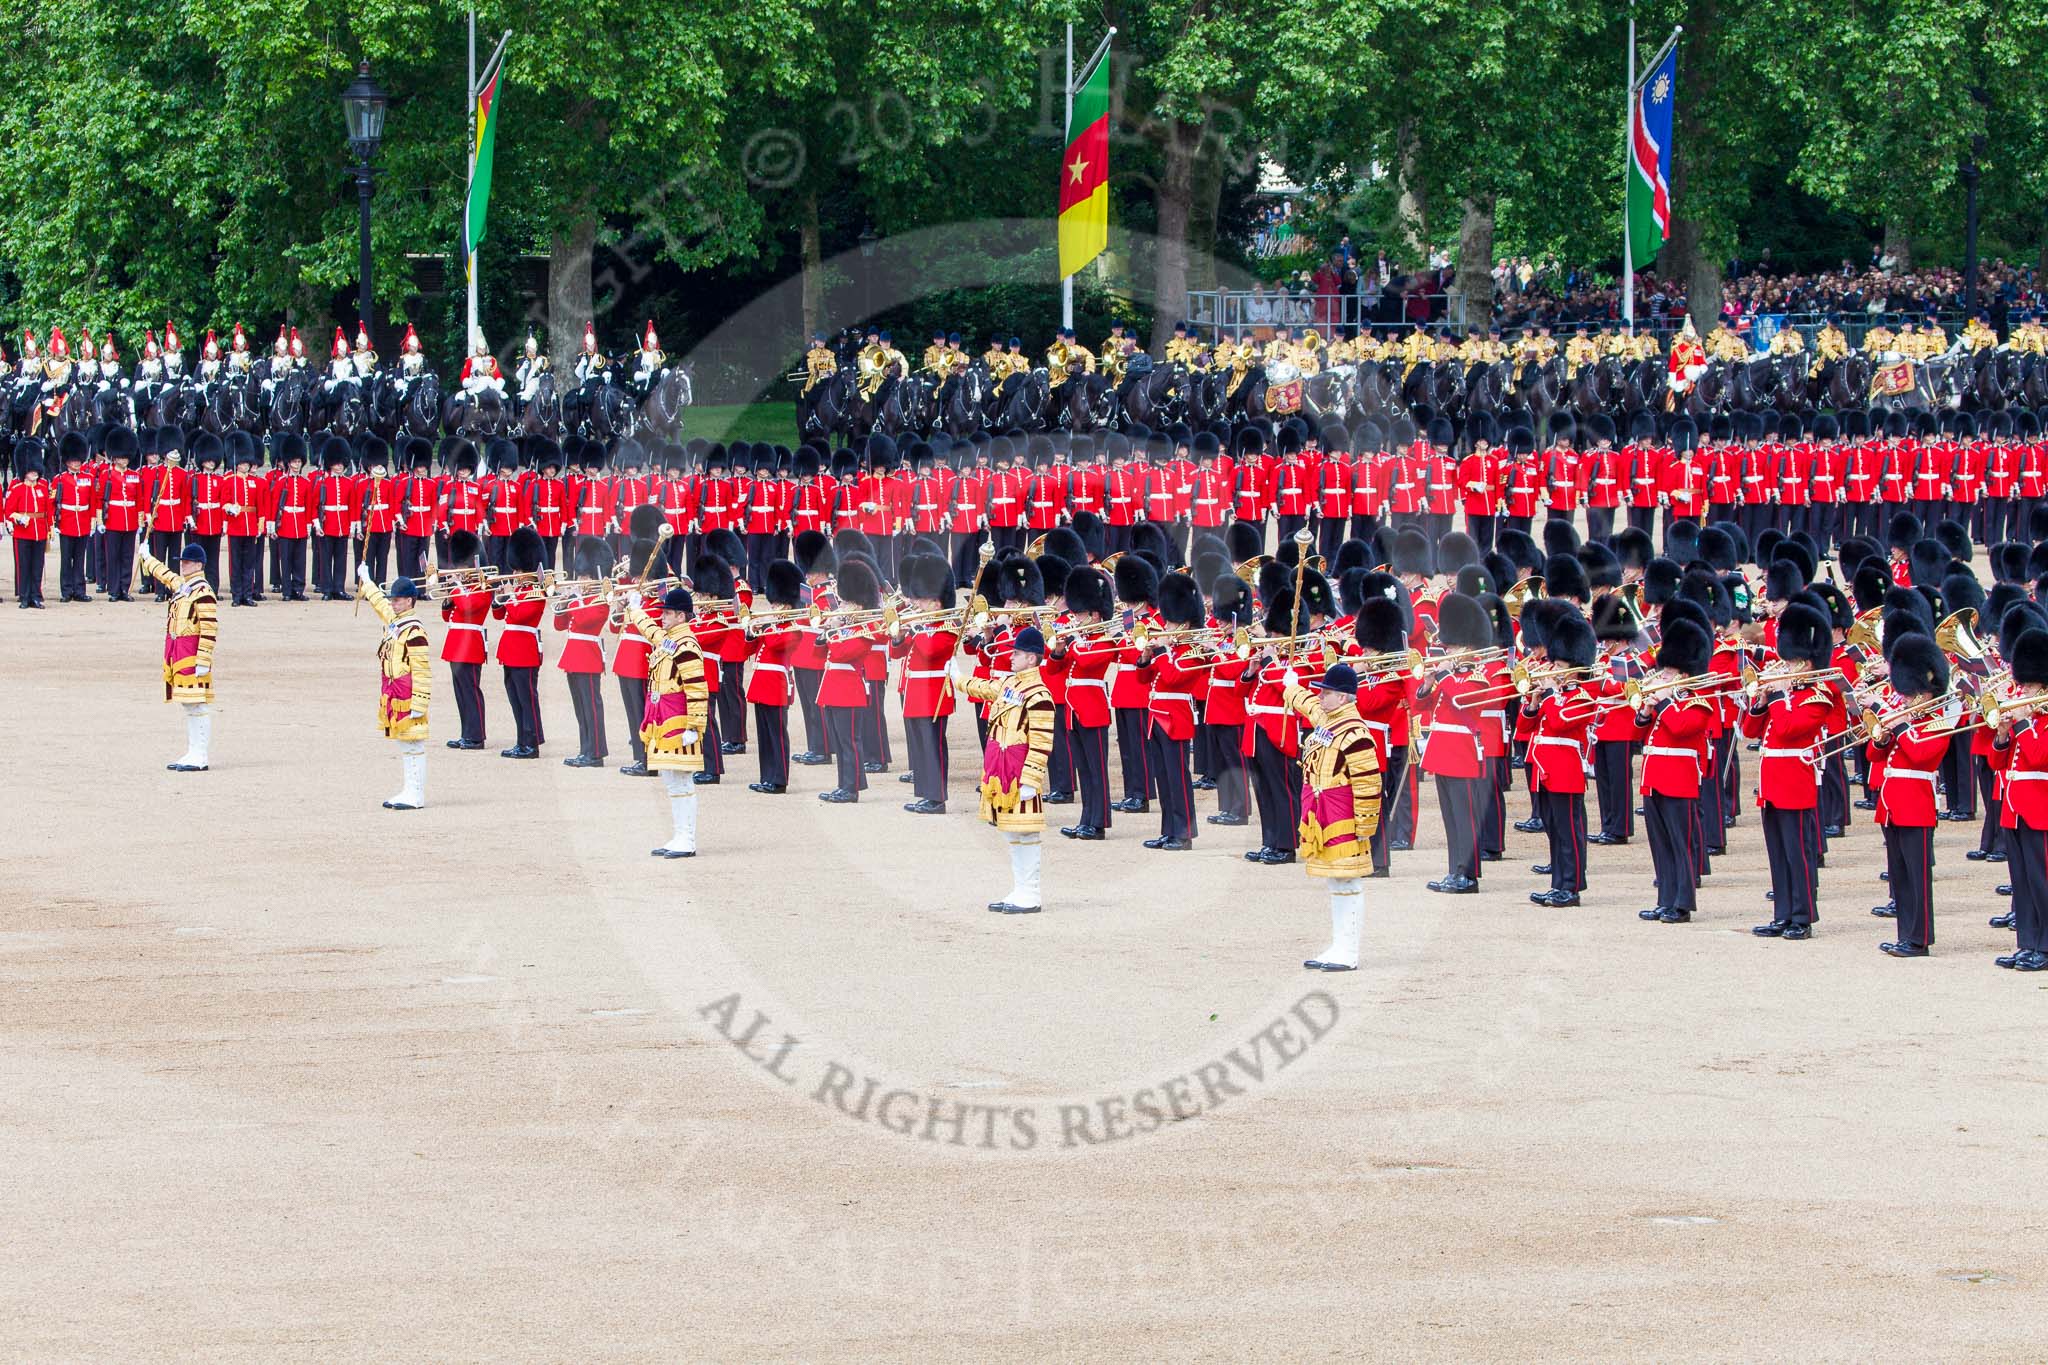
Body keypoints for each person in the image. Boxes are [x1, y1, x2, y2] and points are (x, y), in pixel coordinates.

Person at [1282, 662, 1384, 971]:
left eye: (1326, 693)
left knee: (1347, 879)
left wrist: (1365, 826)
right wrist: (1290, 686)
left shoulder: (1356, 733)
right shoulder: (1329, 718)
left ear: (1342, 698)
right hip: (1322, 811)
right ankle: (1339, 945)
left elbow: (1369, 782)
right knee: (1335, 881)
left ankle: (1349, 951)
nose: (1321, 697)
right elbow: (1309, 706)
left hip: (1342, 813)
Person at [1744, 603, 1835, 940]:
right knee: (1778, 854)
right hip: (1772, 783)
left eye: (1790, 662)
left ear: (1807, 663)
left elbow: (1787, 729)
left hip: (1795, 782)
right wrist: (1760, 701)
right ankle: (1782, 913)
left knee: (1798, 852)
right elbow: (1752, 730)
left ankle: (1802, 915)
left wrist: (1779, 696)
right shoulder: (1786, 695)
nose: (1783, 667)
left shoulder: (1817, 697)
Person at [956, 625, 1057, 914]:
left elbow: (1041, 742)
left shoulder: (1039, 695)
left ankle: (1031, 893)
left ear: (1032, 659)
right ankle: (1021, 889)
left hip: (1021, 774)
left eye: (1017, 653)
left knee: (1026, 835)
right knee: (1012, 834)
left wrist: (1030, 780)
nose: (1010, 657)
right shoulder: (1012, 683)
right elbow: (985, 688)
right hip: (1003, 771)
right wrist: (957, 677)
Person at [1867, 633, 1949, 957]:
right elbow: (1875, 755)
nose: (1906, 698)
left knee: (1917, 877)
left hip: (1916, 805)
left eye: (1913, 692)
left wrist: (1899, 726)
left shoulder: (1938, 723)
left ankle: (1920, 938)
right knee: (1900, 876)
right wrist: (1884, 733)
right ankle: (1905, 934)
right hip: (1891, 805)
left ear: (1928, 692)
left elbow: (1920, 755)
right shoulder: (1906, 721)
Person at [1632, 617, 1716, 922]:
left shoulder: (1699, 702)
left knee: (1681, 844)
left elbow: (1681, 729)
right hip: (1654, 777)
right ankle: (1665, 899)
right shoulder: (1662, 702)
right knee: (1661, 844)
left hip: (1679, 779)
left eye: (1667, 672)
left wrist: (1663, 703)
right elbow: (1638, 734)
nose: (1661, 676)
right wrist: (1645, 710)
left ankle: (1682, 903)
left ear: (1683, 674)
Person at [621, 584, 712, 858]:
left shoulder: (687, 645)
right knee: (672, 780)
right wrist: (636, 611)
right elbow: (655, 633)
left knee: (682, 781)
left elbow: (697, 687)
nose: (663, 617)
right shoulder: (674, 640)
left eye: (668, 613)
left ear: (681, 616)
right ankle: (679, 834)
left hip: (679, 720)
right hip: (665, 716)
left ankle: (687, 838)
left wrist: (695, 727)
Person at [354, 564, 433, 810]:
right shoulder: (399, 622)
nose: (394, 604)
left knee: (413, 744)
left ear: (410, 601)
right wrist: (367, 581)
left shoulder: (414, 631)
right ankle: (410, 790)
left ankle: (416, 794)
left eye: (398, 600)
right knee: (404, 743)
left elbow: (422, 670)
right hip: (394, 690)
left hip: (407, 692)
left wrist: (420, 703)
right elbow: (381, 605)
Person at [137, 544, 218, 772]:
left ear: (199, 565)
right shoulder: (185, 586)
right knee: (188, 705)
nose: (183, 565)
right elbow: (165, 574)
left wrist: (203, 659)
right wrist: (147, 557)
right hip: (179, 650)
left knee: (197, 705)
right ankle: (193, 751)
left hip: (191, 651)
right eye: (182, 562)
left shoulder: (203, 591)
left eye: (187, 562)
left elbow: (210, 628)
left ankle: (200, 754)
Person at [5, 445, 54, 606]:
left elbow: (48, 510)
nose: (34, 473)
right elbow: (9, 511)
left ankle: (36, 595)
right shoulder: (18, 489)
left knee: (37, 565)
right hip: (23, 532)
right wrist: (19, 518)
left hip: (39, 531)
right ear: (24, 471)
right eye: (31, 470)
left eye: (35, 470)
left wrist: (50, 528)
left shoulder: (42, 487)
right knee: (24, 565)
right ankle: (25, 596)